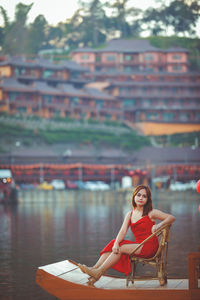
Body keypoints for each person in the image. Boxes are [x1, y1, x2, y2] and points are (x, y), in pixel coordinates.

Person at [78, 185, 176, 284]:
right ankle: (95, 269)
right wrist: (116, 243)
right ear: (134, 197)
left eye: (144, 196)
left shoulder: (151, 212)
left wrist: (159, 225)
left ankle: (98, 272)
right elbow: (123, 231)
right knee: (113, 243)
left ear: (147, 199)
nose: (141, 198)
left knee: (122, 248)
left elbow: (171, 217)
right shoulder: (130, 214)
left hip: (150, 247)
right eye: (139, 195)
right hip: (139, 246)